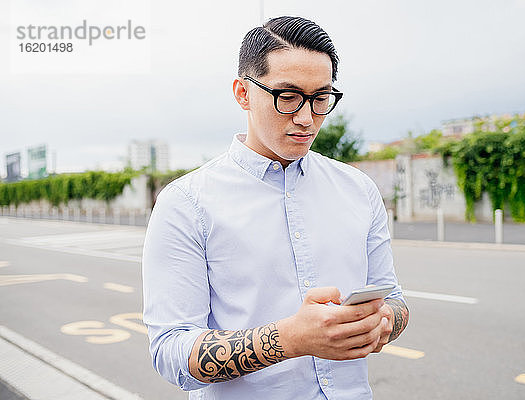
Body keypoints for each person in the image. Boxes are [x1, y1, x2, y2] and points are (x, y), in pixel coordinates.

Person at [142, 16, 409, 400]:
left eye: (321, 98)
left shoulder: (358, 189)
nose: (306, 118)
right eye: (287, 96)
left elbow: (396, 301)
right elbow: (170, 351)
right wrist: (290, 339)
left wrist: (383, 321)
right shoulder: (186, 203)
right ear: (242, 93)